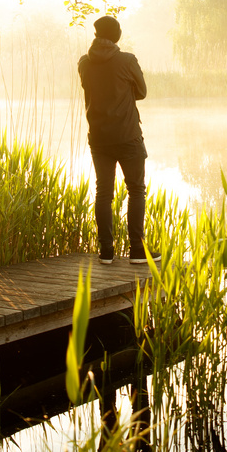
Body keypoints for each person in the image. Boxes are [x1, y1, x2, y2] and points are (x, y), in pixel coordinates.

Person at [78, 15, 161, 266]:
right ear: (116, 36)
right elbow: (142, 92)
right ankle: (137, 250)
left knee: (103, 192)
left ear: (96, 35)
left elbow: (90, 90)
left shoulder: (84, 63)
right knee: (136, 190)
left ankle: (106, 251)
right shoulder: (127, 60)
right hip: (127, 137)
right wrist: (126, 93)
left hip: (99, 138)